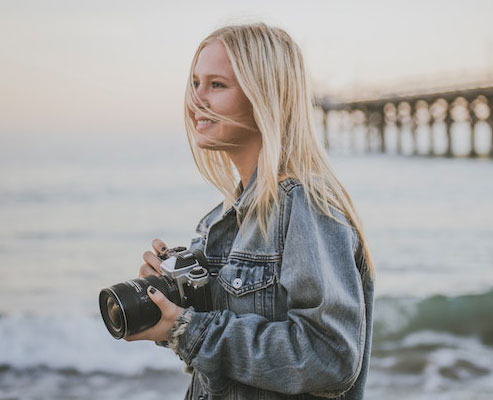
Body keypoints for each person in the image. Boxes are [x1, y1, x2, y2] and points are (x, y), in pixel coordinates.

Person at [125, 22, 375, 400]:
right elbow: (227, 363)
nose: (196, 100)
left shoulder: (304, 207)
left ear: (264, 95)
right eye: (195, 83)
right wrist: (171, 314)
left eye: (217, 85)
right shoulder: (221, 219)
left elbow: (329, 357)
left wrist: (190, 330)